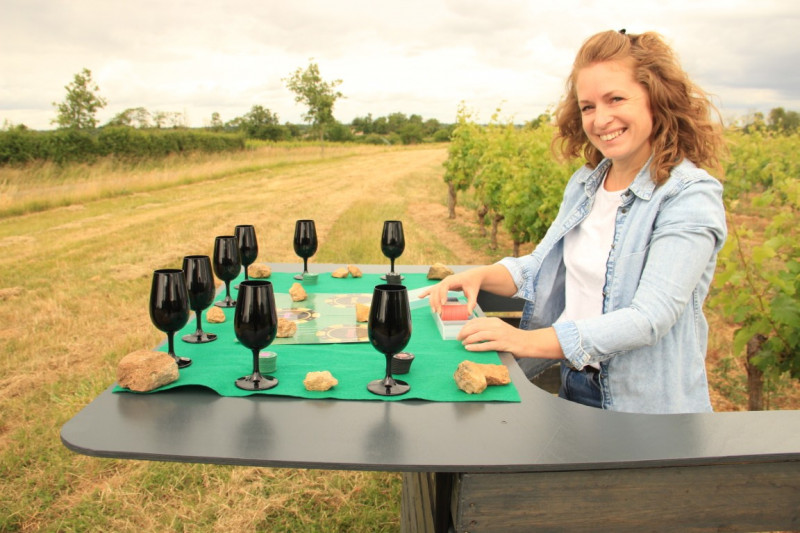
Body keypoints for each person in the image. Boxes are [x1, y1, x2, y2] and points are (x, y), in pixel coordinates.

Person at [421, 29, 727, 414]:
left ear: (656, 98)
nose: (601, 119)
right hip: (575, 383)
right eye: (587, 107)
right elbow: (542, 265)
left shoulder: (688, 195)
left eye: (615, 98)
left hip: (645, 409)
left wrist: (524, 341)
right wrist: (480, 275)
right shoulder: (587, 182)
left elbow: (649, 318)